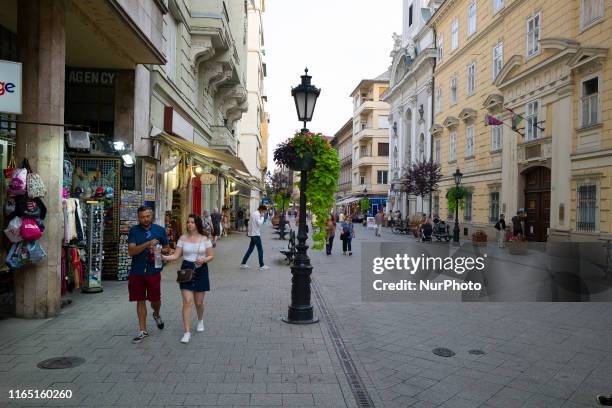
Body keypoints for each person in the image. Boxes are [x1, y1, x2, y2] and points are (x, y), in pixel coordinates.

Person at [162, 214, 214, 344]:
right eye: (188, 222)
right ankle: (187, 332)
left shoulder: (204, 238)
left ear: (197, 224)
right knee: (187, 301)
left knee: (199, 303)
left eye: (192, 222)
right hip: (186, 270)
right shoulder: (182, 238)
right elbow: (175, 256)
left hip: (201, 269)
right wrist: (162, 257)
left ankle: (200, 320)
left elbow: (211, 256)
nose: (189, 224)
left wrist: (204, 259)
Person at [127, 206, 170, 344]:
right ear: (138, 217)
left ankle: (156, 314)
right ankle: (143, 330)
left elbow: (168, 249)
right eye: (142, 217)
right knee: (140, 300)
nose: (145, 219)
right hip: (137, 270)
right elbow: (131, 251)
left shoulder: (160, 230)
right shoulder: (134, 231)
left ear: (151, 216)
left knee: (155, 300)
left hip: (153, 269)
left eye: (147, 216)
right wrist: (147, 244)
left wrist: (160, 248)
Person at [240, 205, 269, 270]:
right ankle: (262, 265)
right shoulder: (257, 215)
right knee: (260, 249)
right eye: (264, 211)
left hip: (253, 234)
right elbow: (259, 223)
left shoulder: (253, 213)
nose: (264, 212)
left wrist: (249, 232)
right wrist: (262, 217)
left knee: (250, 249)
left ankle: (243, 263)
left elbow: (249, 223)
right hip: (256, 234)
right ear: (261, 210)